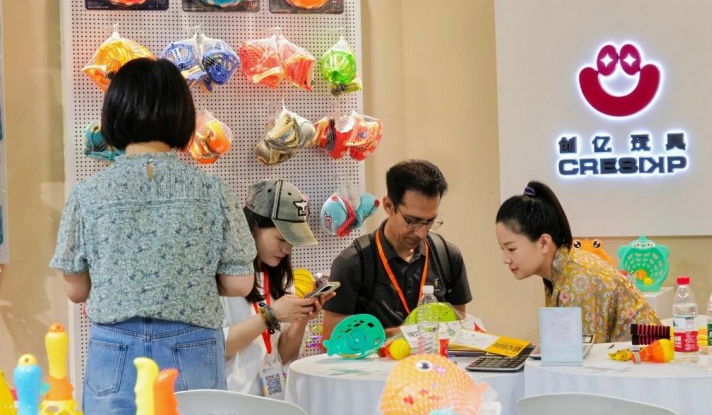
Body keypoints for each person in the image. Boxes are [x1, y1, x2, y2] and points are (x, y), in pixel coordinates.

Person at [49, 58, 255, 413]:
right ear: (182, 116)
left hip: (114, 350)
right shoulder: (213, 191)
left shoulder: (87, 194)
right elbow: (239, 284)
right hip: (192, 347)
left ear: (114, 115)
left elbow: (76, 290)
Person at [322, 159, 472, 341]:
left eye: (430, 221)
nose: (421, 232)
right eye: (413, 221)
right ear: (389, 206)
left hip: (434, 360)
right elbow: (330, 340)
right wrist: (397, 335)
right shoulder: (352, 263)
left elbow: (459, 330)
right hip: (375, 361)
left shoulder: (448, 256)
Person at [495, 180, 660, 343]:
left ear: (544, 243)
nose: (505, 259)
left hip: (648, 356)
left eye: (511, 248)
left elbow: (585, 353)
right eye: (503, 249)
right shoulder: (561, 270)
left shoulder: (579, 280)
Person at [221, 179, 334, 398]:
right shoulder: (224, 278)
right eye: (281, 238)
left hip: (271, 400)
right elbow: (215, 346)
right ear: (254, 227)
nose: (287, 249)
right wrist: (270, 316)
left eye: (292, 240)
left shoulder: (279, 275)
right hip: (230, 401)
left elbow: (283, 355)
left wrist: (301, 318)